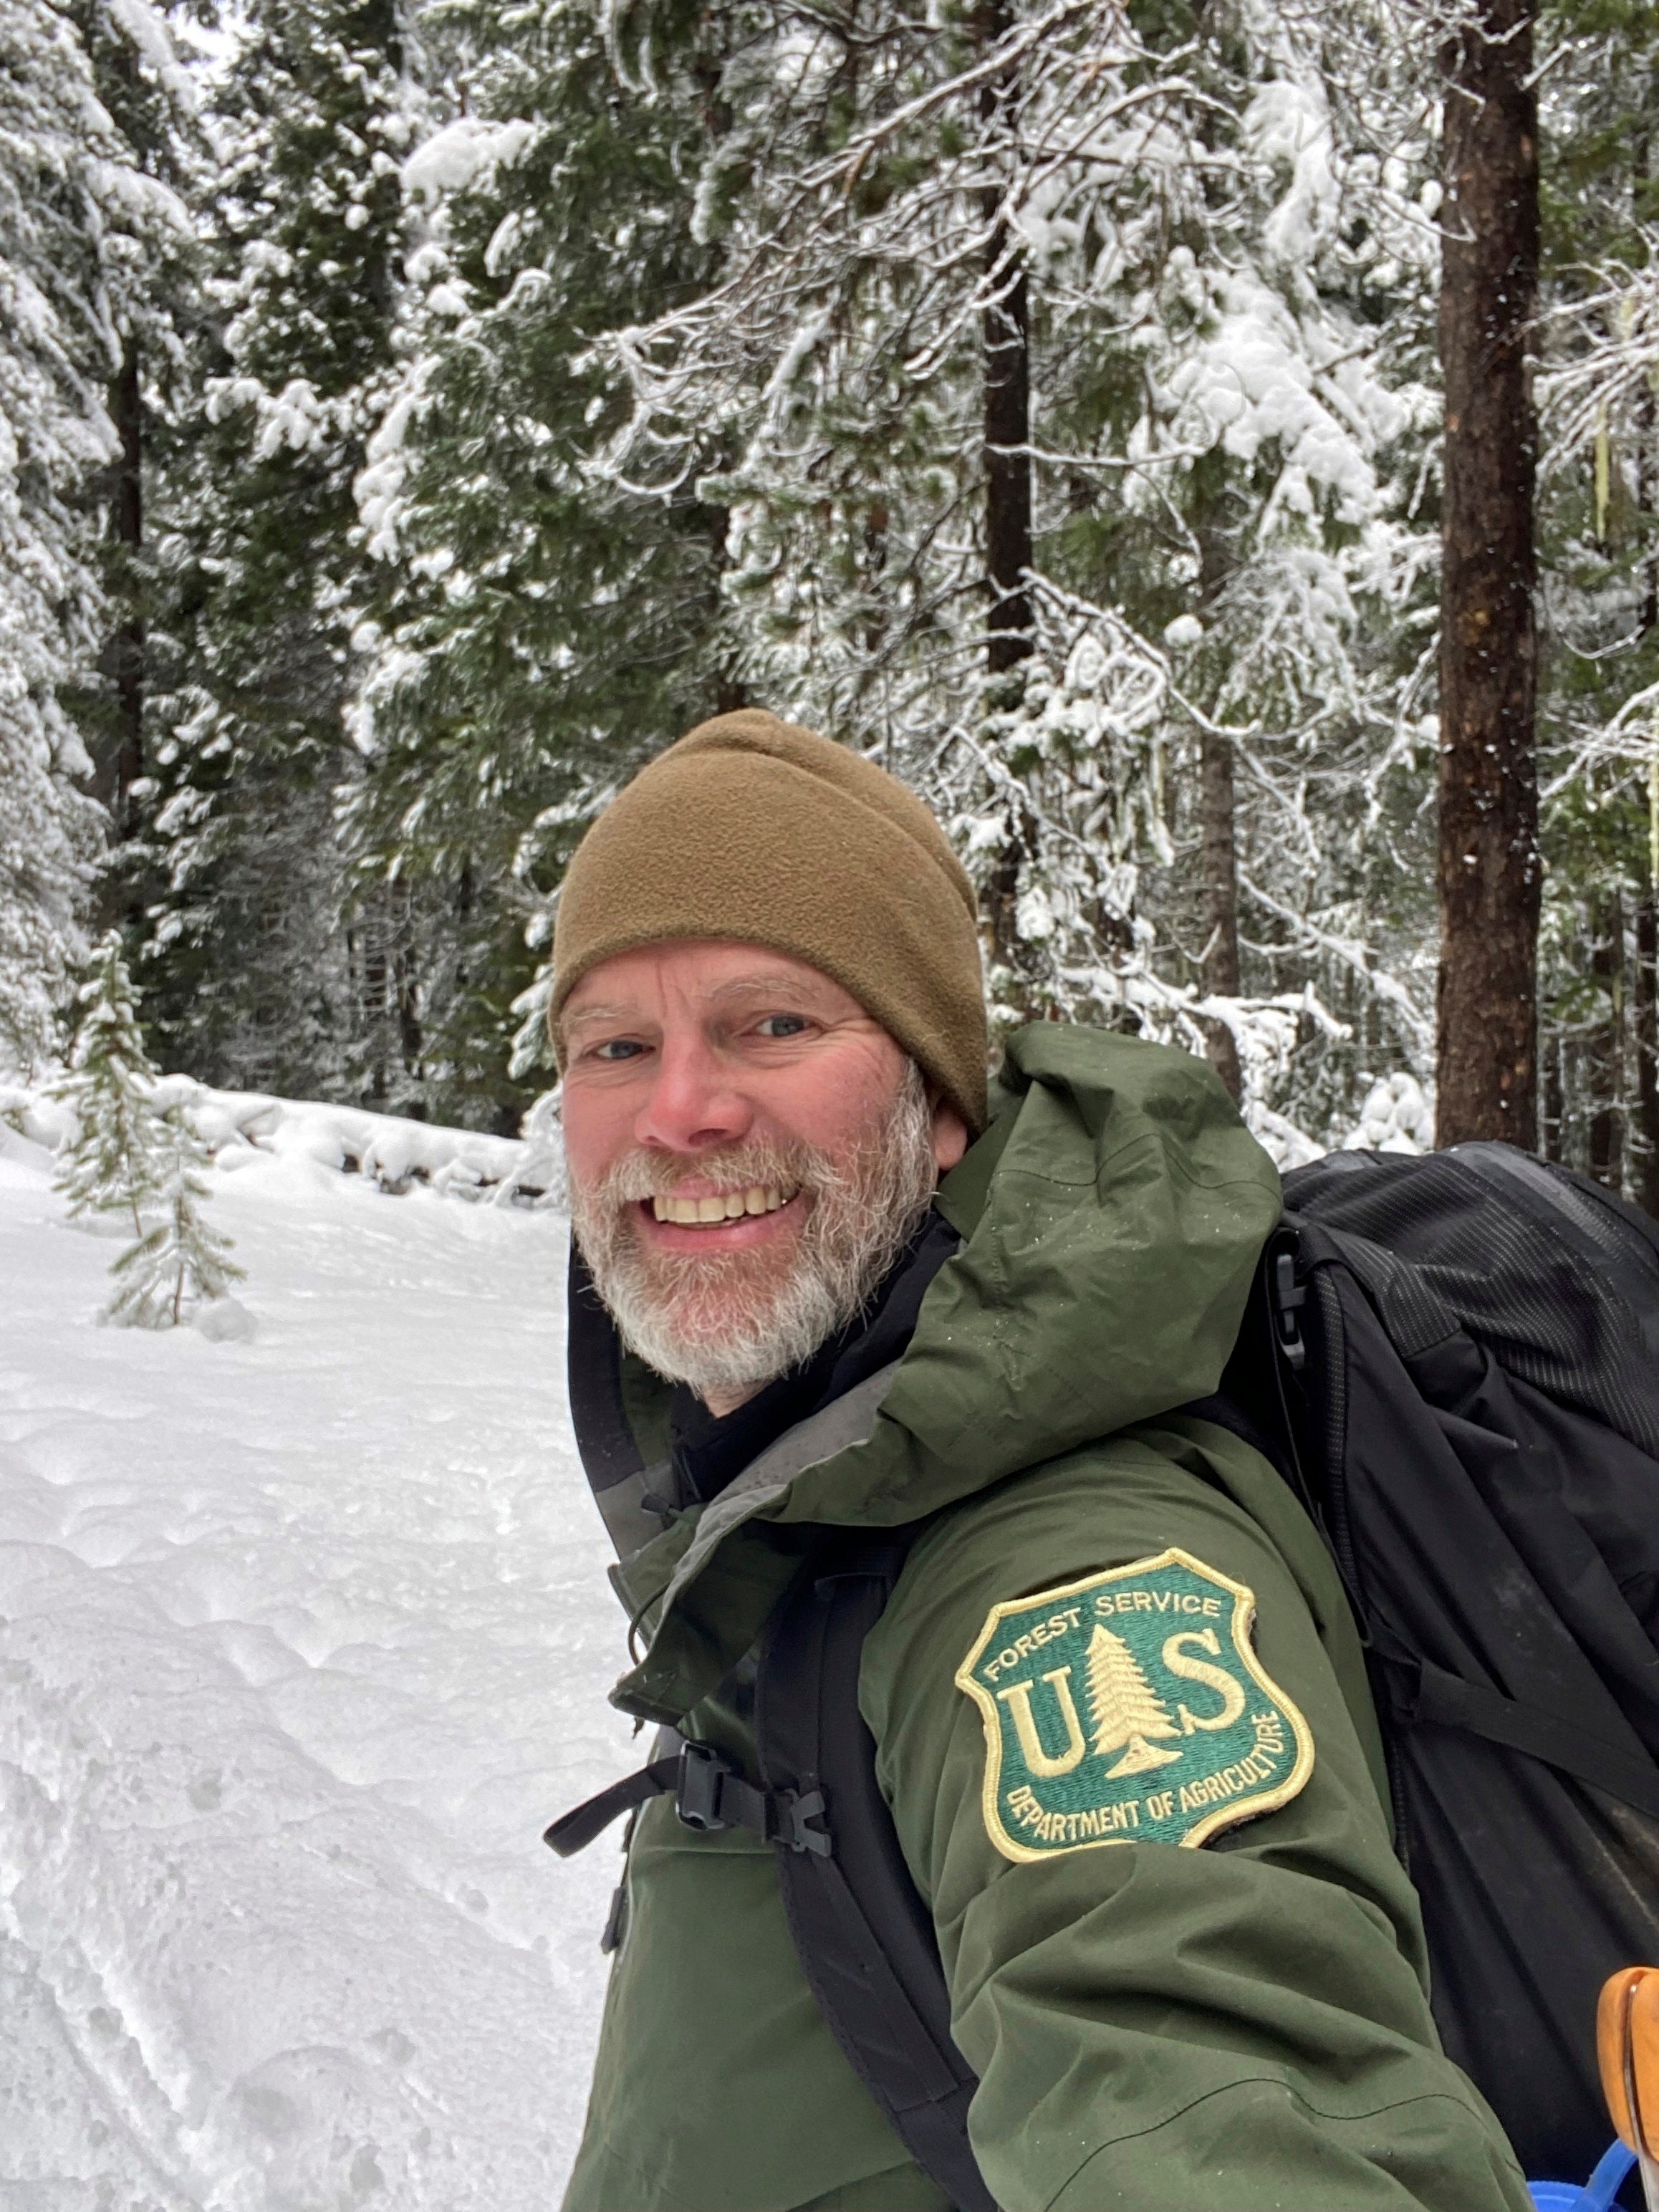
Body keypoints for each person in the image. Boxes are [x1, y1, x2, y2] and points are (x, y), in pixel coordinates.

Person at [549, 708, 1530, 2212]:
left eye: (774, 1023)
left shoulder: (1071, 1562)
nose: (682, 1107)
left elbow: (1200, 2073)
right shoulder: (827, 1458)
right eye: (618, 1044)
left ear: (941, 1105)